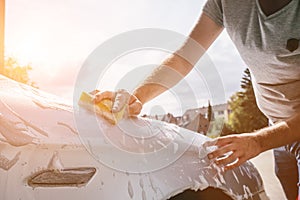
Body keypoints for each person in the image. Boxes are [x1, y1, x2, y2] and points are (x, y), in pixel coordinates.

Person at [93, 0, 300, 199]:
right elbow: (184, 58)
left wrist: (258, 141)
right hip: (278, 130)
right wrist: (136, 97)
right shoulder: (224, 3)